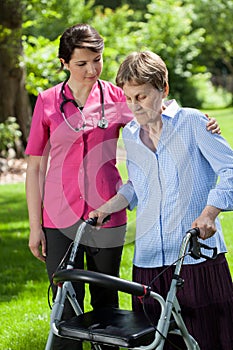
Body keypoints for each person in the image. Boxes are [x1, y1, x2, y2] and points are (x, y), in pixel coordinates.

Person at [25, 23, 220, 350]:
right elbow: (34, 168)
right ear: (63, 63)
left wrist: (203, 122)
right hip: (58, 216)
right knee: (64, 300)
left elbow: (156, 108)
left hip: (107, 215)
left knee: (106, 302)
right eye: (81, 63)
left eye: (97, 60)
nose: (92, 69)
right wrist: (35, 226)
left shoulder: (118, 97)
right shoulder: (46, 102)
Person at [89, 51, 233, 350]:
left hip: (195, 257)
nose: (134, 106)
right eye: (128, 99)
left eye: (141, 96)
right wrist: (108, 207)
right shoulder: (130, 134)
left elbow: (230, 170)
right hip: (149, 259)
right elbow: (138, 185)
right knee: (157, 341)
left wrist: (211, 212)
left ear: (163, 89)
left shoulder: (193, 123)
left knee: (209, 339)